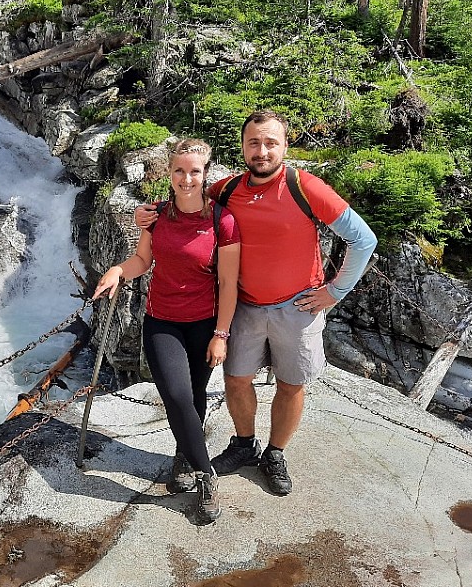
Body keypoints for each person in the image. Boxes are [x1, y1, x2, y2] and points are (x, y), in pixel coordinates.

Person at [135, 110, 377, 496]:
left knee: (291, 383)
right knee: (236, 378)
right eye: (253, 143)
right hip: (244, 304)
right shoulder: (228, 190)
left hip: (299, 305)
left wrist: (335, 291)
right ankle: (244, 445)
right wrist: (147, 214)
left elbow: (364, 240)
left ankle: (275, 453)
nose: (261, 151)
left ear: (285, 146)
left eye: (270, 143)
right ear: (243, 147)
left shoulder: (306, 187)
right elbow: (188, 197)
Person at [93, 138, 240, 524]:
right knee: (175, 393)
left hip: (205, 323)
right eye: (179, 170)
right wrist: (118, 271)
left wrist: (221, 334)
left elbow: (229, 283)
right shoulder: (156, 215)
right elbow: (143, 259)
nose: (186, 178)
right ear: (169, 172)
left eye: (194, 171)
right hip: (162, 320)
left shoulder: (222, 221)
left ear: (206, 174)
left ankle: (182, 456)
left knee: (192, 395)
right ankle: (207, 475)